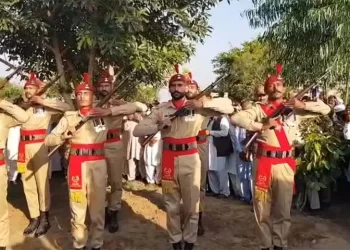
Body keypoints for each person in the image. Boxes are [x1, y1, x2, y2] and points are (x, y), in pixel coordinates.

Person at [231, 66, 331, 250]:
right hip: (263, 162)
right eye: (272, 85)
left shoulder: (294, 109)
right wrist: (260, 126)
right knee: (261, 210)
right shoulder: (259, 109)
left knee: (283, 210)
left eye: (279, 84)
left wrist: (304, 105)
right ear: (267, 89)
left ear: (284, 88)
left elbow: (325, 109)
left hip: (284, 163)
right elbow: (236, 118)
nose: (276, 87)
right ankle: (265, 245)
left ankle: (280, 244)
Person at [133, 71, 234, 250]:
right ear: (169, 88)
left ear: (187, 87)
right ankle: (175, 241)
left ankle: (189, 241)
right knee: (171, 206)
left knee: (191, 205)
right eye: (174, 85)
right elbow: (138, 130)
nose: (177, 88)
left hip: (190, 158)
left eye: (181, 85)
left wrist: (202, 102)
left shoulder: (197, 107)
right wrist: (158, 125)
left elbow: (229, 107)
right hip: (169, 159)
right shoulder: (162, 109)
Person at [45, 73, 144, 250]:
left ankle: (97, 243)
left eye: (86, 93)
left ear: (93, 96)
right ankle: (79, 244)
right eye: (79, 94)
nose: (82, 96)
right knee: (77, 209)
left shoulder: (104, 115)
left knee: (97, 210)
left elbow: (137, 107)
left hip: (97, 164)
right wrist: (61, 136)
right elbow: (48, 140)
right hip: (76, 164)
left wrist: (110, 110)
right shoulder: (69, 117)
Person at [18, 73, 71, 237]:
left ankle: (44, 218)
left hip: (40, 145)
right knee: (27, 184)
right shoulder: (22, 106)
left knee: (42, 184)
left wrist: (43, 101)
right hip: (23, 147)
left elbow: (68, 108)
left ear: (38, 90)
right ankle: (34, 217)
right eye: (26, 87)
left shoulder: (45, 107)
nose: (28, 90)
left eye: (31, 88)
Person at [96, 72, 147, 233]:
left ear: (112, 87)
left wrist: (112, 106)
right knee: (98, 181)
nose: (104, 88)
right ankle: (102, 209)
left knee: (116, 181)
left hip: (114, 144)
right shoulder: (94, 102)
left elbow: (137, 107)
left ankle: (114, 211)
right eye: (101, 86)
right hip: (96, 145)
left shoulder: (119, 104)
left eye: (107, 86)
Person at [0, 97, 29, 250]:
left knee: (0, 208)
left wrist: (2, 102)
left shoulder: (3, 118)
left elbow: (24, 117)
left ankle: (2, 243)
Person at [185, 75, 209, 236]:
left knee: (199, 186)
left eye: (192, 87)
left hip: (199, 146)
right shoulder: (179, 104)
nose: (188, 90)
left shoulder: (204, 105)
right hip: (182, 148)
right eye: (186, 87)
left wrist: (202, 102)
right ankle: (186, 215)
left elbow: (226, 106)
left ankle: (198, 218)